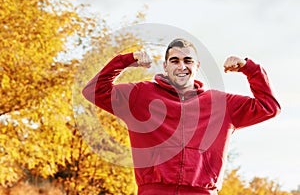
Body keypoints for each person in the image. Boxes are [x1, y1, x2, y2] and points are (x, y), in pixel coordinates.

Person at [82, 38, 280, 195]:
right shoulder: (141, 95)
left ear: (197, 66)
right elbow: (94, 91)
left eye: (188, 61)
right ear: (165, 66)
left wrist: (249, 68)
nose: (181, 66)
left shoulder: (221, 104)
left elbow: (268, 107)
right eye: (174, 61)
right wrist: (126, 60)